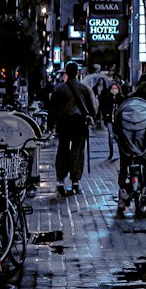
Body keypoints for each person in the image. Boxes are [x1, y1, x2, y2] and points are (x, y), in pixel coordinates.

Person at [47, 62, 97, 196]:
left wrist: (50, 125)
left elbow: (52, 109)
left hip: (63, 123)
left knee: (62, 149)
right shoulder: (84, 89)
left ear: (66, 73)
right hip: (79, 123)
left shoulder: (59, 89)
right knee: (77, 150)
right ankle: (75, 181)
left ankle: (60, 180)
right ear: (77, 73)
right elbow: (92, 109)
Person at [114, 77, 146, 217]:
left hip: (126, 145)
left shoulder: (127, 100)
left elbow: (117, 120)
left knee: (124, 167)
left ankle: (122, 199)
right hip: (144, 146)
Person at [100, 81, 124, 160]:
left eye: (115, 88)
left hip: (118, 121)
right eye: (113, 88)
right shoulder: (107, 98)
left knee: (118, 137)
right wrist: (106, 115)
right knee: (111, 135)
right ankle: (111, 153)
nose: (114, 90)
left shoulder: (121, 98)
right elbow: (103, 108)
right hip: (109, 120)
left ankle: (121, 152)